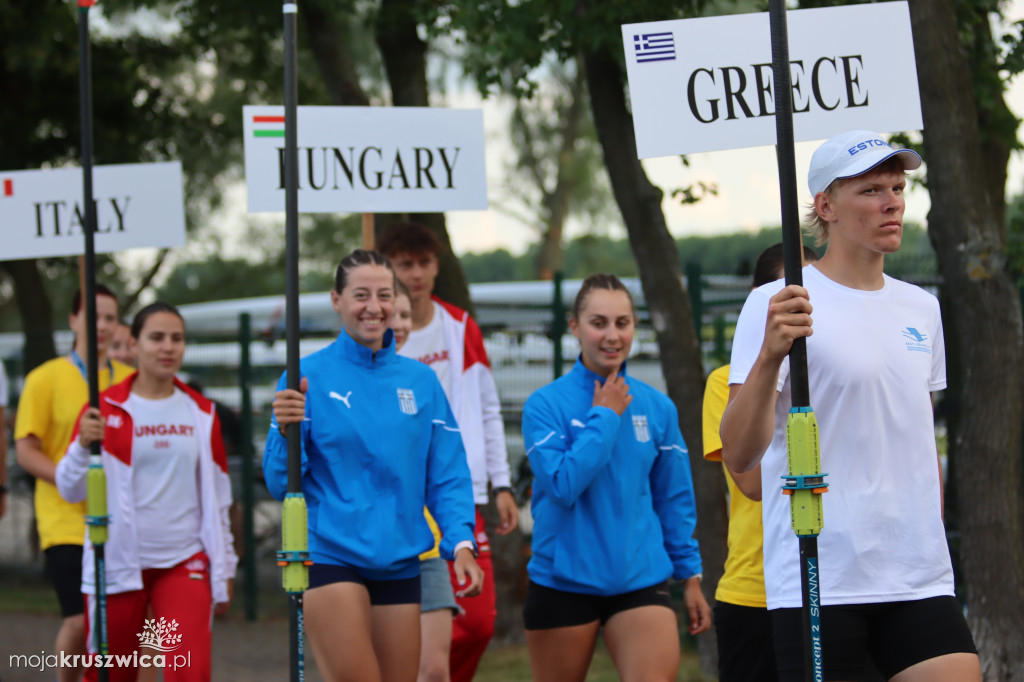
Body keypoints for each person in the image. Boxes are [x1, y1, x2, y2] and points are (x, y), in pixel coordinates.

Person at [720, 130, 981, 681]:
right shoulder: (776, 302)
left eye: (897, 187)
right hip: (821, 573)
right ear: (825, 206)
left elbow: (916, 440)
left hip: (917, 574)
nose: (892, 202)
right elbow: (740, 456)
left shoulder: (921, 308)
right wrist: (770, 356)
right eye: (870, 190)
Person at [263, 249, 484, 682]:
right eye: (360, 294)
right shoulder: (305, 376)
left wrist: (460, 542)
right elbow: (279, 482)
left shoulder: (419, 381)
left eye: (384, 295)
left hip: (401, 558)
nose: (374, 306)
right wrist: (284, 430)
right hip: (330, 554)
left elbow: (447, 473)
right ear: (337, 300)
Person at [521, 273, 710, 682]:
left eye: (622, 323)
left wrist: (690, 575)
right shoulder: (544, 406)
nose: (612, 335)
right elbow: (563, 486)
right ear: (574, 327)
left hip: (640, 579)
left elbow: (673, 500)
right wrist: (604, 416)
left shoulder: (658, 408)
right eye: (598, 322)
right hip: (562, 582)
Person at [54, 301, 237, 682]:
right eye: (156, 338)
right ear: (133, 344)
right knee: (112, 676)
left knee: (189, 672)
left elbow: (219, 500)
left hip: (184, 563)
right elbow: (69, 490)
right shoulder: (104, 408)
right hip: (118, 565)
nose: (168, 347)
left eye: (177, 338)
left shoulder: (201, 412)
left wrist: (226, 565)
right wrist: (79, 446)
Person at [378, 223, 517, 682]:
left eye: (423, 263)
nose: (415, 274)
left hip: (456, 491)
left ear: (437, 267)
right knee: (400, 628)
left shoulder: (458, 327)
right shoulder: (378, 337)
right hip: (398, 502)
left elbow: (487, 407)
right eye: (404, 264)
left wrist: (500, 482)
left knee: (476, 624)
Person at [702, 243, 817, 682]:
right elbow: (749, 480)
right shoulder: (722, 383)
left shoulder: (833, 368)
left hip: (836, 585)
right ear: (757, 300)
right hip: (756, 592)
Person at [15, 285, 134, 682]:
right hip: (65, 519)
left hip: (121, 519)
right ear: (73, 320)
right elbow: (26, 450)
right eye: (93, 316)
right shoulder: (44, 378)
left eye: (109, 318)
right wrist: (72, 480)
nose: (101, 325)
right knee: (81, 619)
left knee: (125, 621)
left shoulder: (133, 379)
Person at [390, 282, 458, 682]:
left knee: (433, 671)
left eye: (404, 315)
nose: (397, 323)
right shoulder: (335, 380)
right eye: (390, 313)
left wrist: (458, 535)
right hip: (363, 553)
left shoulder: (423, 381)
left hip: (425, 546)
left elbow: (446, 465)